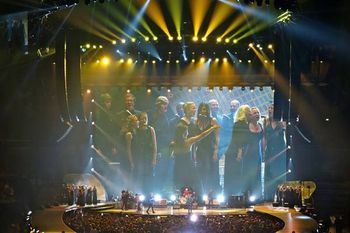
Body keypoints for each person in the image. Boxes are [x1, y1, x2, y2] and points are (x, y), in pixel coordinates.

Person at [171, 103, 220, 191]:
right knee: (193, 180)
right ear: (187, 110)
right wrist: (213, 128)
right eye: (193, 108)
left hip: (188, 158)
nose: (196, 110)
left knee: (186, 180)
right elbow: (200, 136)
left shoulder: (192, 123)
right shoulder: (184, 127)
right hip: (188, 159)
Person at [224, 105, 252, 197]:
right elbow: (238, 140)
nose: (250, 112)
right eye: (248, 110)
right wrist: (239, 152)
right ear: (243, 113)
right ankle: (232, 195)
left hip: (234, 152)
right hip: (234, 153)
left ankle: (233, 194)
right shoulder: (240, 124)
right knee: (233, 174)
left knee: (234, 174)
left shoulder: (244, 124)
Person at [195, 103, 220, 195]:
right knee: (200, 170)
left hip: (210, 149)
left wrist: (215, 152)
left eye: (205, 109)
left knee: (209, 170)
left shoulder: (212, 120)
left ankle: (210, 193)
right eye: (201, 109)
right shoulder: (196, 121)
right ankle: (201, 192)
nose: (203, 111)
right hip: (200, 150)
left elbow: (217, 137)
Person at [149, 96, 172, 191]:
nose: (166, 106)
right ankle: (154, 191)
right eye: (164, 104)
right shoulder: (152, 116)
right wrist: (156, 150)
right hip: (153, 148)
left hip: (163, 148)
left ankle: (160, 191)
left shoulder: (166, 117)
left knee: (162, 171)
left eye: (167, 104)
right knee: (154, 171)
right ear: (158, 105)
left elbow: (166, 134)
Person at [263, 104, 287, 201]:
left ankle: (282, 197)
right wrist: (263, 151)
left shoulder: (282, 122)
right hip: (269, 151)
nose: (270, 110)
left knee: (279, 174)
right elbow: (264, 137)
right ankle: (268, 197)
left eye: (272, 108)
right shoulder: (265, 121)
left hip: (280, 151)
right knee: (269, 175)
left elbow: (287, 135)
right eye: (269, 108)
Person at [134, 112, 157, 194]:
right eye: (142, 118)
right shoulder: (136, 130)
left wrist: (154, 159)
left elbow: (154, 146)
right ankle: (139, 193)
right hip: (139, 155)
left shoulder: (151, 129)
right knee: (140, 175)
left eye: (145, 118)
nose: (144, 120)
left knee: (149, 175)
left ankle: (149, 193)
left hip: (148, 155)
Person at [243, 107, 263, 199]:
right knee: (249, 175)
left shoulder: (261, 126)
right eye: (254, 113)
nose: (257, 114)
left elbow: (263, 141)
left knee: (257, 176)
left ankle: (257, 196)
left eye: (258, 112)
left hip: (257, 154)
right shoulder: (246, 126)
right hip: (248, 154)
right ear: (251, 115)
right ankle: (247, 196)